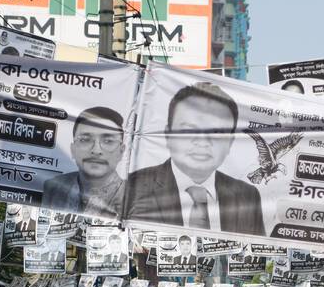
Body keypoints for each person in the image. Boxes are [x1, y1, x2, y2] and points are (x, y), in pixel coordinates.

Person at [125, 82, 266, 236]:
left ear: (230, 142)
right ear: (168, 135)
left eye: (217, 132)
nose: (203, 140)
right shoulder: (133, 187)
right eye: (189, 130)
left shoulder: (248, 197)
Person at [41, 107, 126, 218]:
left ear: (121, 151)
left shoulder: (135, 197)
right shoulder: (54, 187)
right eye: (85, 140)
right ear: (73, 150)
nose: (96, 151)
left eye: (108, 141)